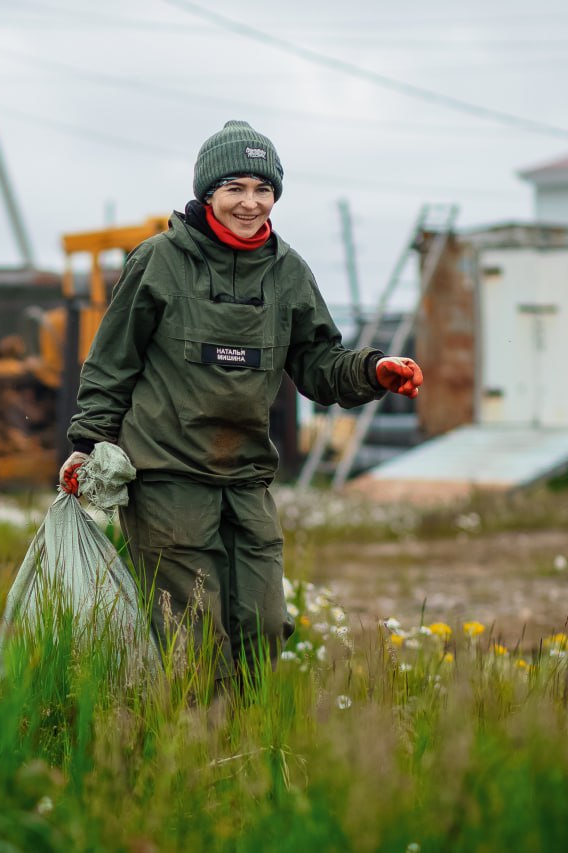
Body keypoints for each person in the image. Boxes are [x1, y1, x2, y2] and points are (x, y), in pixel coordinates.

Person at [59, 119, 422, 689]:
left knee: (263, 627)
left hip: (245, 477)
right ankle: (194, 756)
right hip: (167, 478)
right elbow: (112, 361)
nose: (251, 204)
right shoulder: (158, 261)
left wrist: (374, 370)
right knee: (194, 639)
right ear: (208, 194)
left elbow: (319, 364)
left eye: (263, 189)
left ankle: (247, 752)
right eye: (235, 189)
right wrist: (87, 445)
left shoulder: (288, 272)